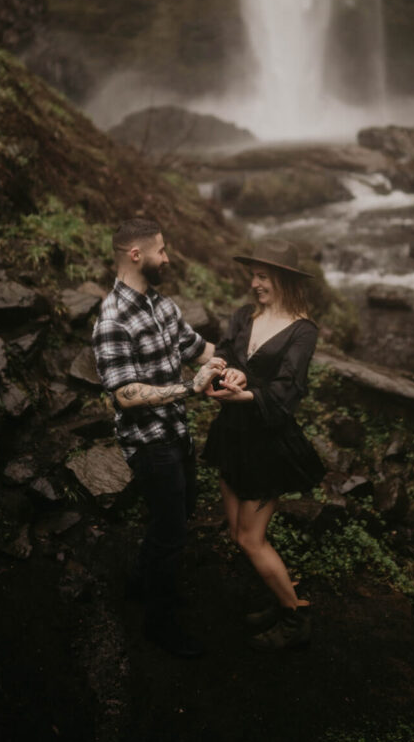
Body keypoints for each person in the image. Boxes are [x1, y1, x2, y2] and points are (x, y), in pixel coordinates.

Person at [92, 217, 226, 658]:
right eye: (162, 251)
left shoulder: (161, 306)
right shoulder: (113, 319)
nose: (167, 258)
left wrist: (235, 360)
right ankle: (160, 623)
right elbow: (125, 396)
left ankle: (139, 582)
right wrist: (189, 388)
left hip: (178, 433)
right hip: (149, 444)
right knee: (171, 531)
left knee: (180, 512)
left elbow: (197, 349)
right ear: (136, 255)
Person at [203, 237, 326, 652]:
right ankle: (280, 600)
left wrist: (246, 394)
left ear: (284, 281)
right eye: (253, 275)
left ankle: (296, 616)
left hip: (267, 445)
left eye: (263, 276)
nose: (255, 283)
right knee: (239, 534)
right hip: (230, 436)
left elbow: (288, 390)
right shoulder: (242, 317)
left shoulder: (302, 331)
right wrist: (225, 371)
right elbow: (223, 354)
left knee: (252, 539)